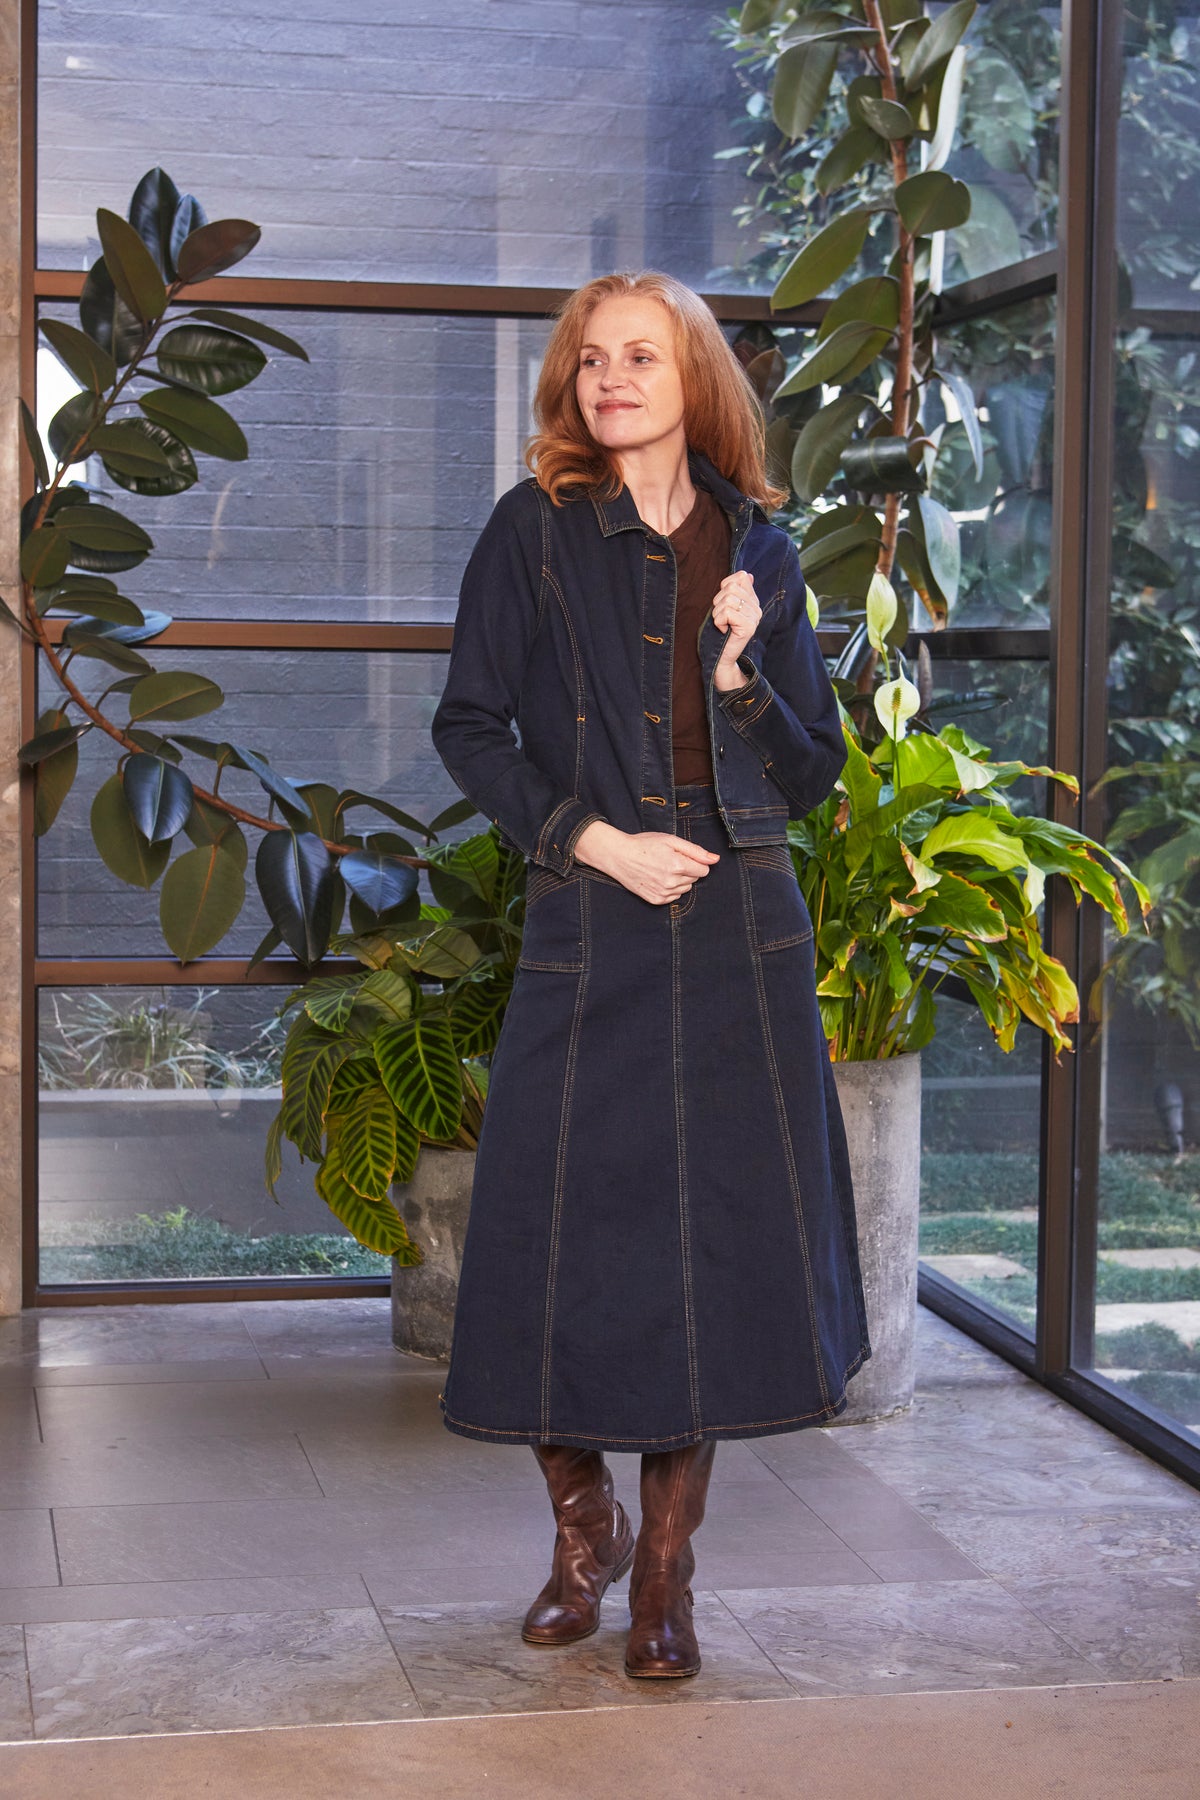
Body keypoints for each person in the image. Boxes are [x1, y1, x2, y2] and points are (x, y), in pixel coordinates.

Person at [429, 271, 870, 1680]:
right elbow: (469, 726)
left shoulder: (763, 550)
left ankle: (666, 1576)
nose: (611, 378)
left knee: (711, 1254)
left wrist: (744, 671)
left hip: (741, 927)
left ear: (696, 383)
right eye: (592, 358)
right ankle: (585, 1534)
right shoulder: (532, 531)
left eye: (642, 356)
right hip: (593, 911)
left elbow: (815, 769)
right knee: (548, 1239)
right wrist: (596, 841)